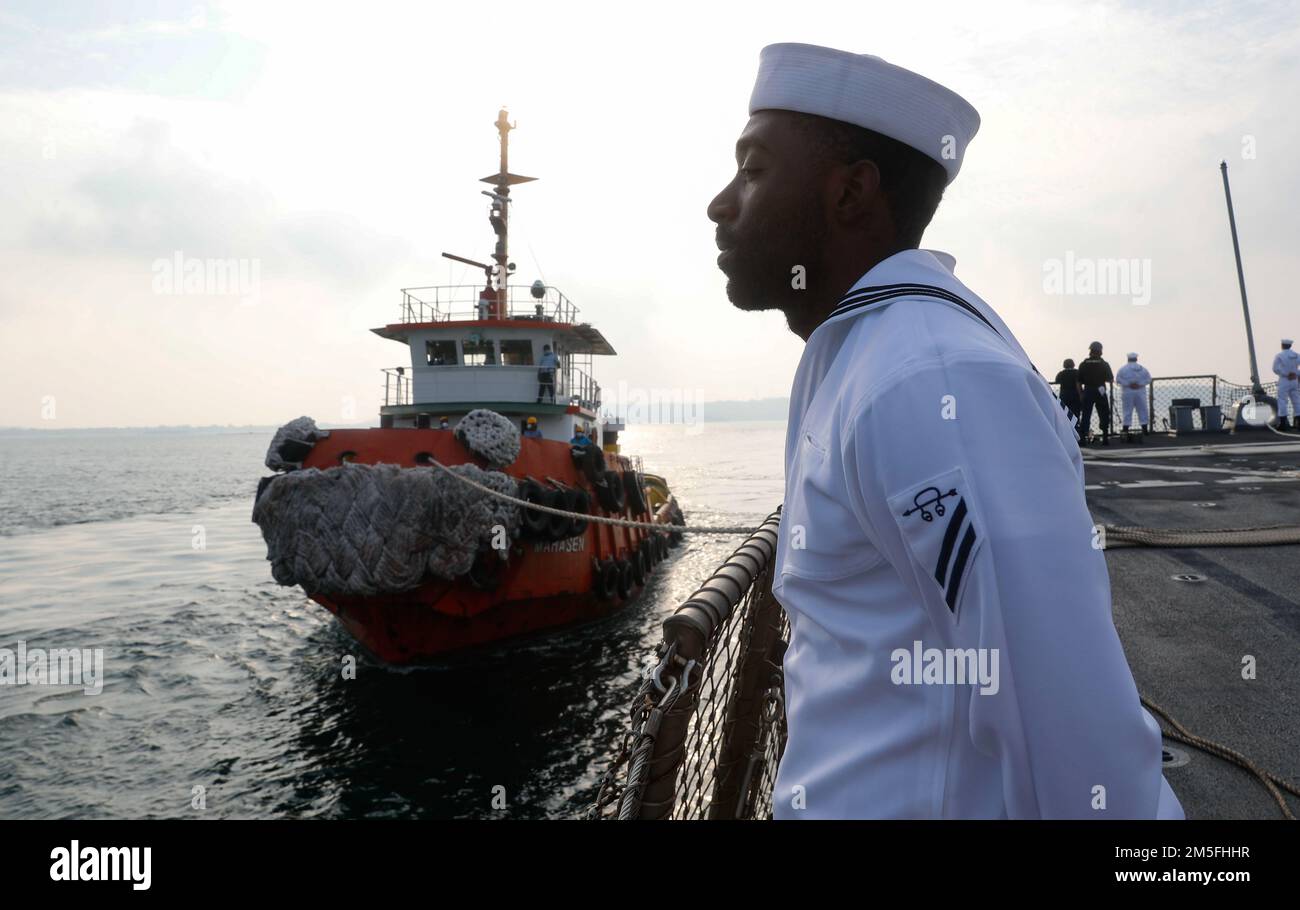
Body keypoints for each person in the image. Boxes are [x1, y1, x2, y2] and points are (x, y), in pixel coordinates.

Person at [707, 43, 1181, 820]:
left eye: (754, 169)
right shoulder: (860, 357)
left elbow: (1067, 721)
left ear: (851, 192)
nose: (722, 203)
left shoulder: (927, 379)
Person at [1078, 342, 1114, 446]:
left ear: (1090, 351)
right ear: (1100, 351)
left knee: (1086, 415)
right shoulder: (1104, 364)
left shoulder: (1084, 364)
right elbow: (1110, 379)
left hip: (1088, 390)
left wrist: (1081, 394)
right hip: (1100, 390)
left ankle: (1083, 438)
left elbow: (1079, 381)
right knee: (1104, 413)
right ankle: (1105, 437)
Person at [1115, 352, 1152, 438]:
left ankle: (1125, 429)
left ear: (1128, 358)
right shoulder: (1143, 369)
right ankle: (1145, 429)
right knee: (1142, 409)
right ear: (1136, 358)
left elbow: (1118, 379)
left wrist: (1128, 384)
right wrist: (1139, 384)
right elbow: (1148, 379)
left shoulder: (1123, 369)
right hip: (1140, 391)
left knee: (1127, 410)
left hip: (1128, 391)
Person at [1272, 338, 1300, 431]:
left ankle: (1283, 424)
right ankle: (1298, 422)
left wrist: (1286, 374)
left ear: (1282, 345)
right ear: (1290, 345)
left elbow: (1275, 369)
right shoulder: (1296, 355)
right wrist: (1296, 374)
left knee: (1282, 400)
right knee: (1296, 400)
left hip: (1285, 380)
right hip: (1294, 380)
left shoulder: (1280, 356)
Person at [1054, 358, 1083, 438]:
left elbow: (1057, 381)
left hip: (1064, 396)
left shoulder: (1061, 373)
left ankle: (1067, 434)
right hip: (1075, 395)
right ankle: (1077, 433)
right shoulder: (1077, 373)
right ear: (1073, 364)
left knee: (1064, 415)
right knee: (1076, 415)